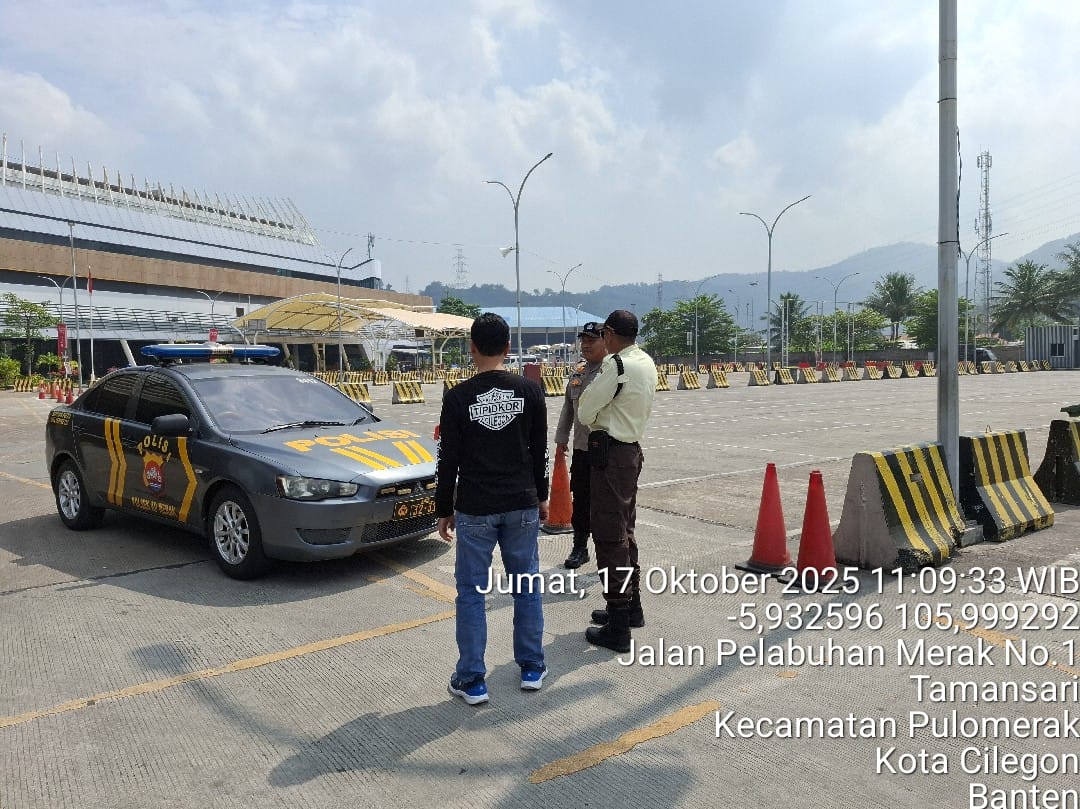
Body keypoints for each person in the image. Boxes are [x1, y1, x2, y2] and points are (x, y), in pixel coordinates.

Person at [436, 312, 550, 705]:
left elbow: (447, 459)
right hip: (521, 503)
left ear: (472, 349)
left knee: (471, 592)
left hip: (475, 507)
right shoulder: (530, 391)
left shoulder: (457, 397)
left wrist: (444, 507)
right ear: (507, 347)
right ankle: (532, 667)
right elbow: (540, 451)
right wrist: (542, 496)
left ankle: (472, 680)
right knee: (526, 585)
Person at [576, 309, 656, 653]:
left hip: (610, 456)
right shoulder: (645, 362)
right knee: (625, 531)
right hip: (630, 453)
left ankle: (618, 627)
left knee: (610, 538)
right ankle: (630, 607)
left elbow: (585, 411)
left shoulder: (616, 365)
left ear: (609, 334)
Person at [553, 322, 608, 569]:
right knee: (581, 501)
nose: (585, 345)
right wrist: (561, 438)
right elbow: (568, 407)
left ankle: (609, 552)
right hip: (582, 449)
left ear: (605, 341)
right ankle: (580, 548)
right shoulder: (579, 372)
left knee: (606, 505)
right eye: (583, 341)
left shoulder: (611, 372)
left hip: (606, 451)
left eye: (591, 340)